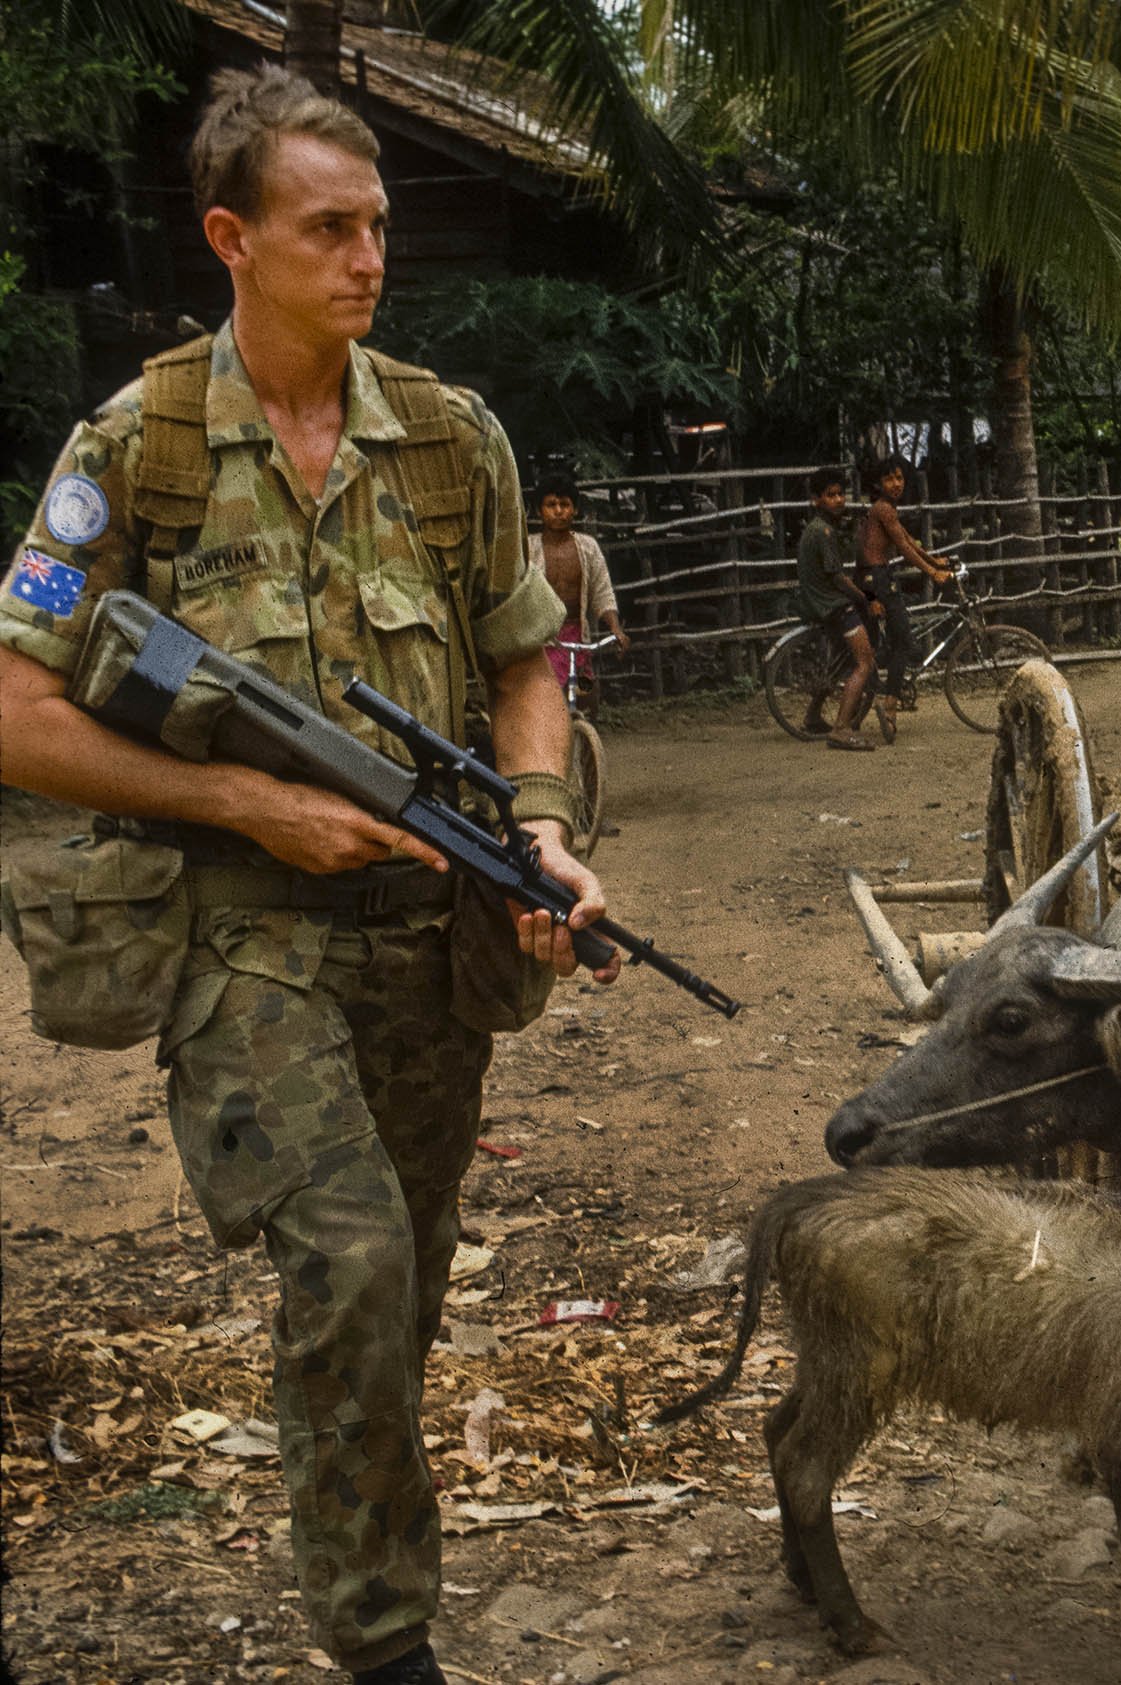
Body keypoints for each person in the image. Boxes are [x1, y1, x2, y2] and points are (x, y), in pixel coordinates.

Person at [0, 67, 618, 1685]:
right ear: (233, 236)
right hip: (242, 935)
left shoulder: (444, 439)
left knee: (397, 1287)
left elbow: (523, 665)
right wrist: (238, 802)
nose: (367, 259)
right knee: (345, 1259)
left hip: (430, 936)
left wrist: (540, 831)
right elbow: (15, 712)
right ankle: (383, 1642)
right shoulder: (134, 450)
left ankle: (357, 1537)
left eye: (379, 228)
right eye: (328, 229)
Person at [854, 453, 954, 741]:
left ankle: (875, 689)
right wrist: (931, 572)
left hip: (872, 577)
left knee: (894, 641)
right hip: (878, 579)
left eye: (899, 477)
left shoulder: (885, 511)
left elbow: (908, 540)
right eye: (889, 478)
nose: (896, 483)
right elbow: (904, 548)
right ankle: (889, 706)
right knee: (906, 644)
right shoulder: (883, 509)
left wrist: (935, 561)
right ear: (878, 483)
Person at [794, 465, 878, 750]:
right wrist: (865, 598)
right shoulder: (824, 533)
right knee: (864, 662)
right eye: (831, 495)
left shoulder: (815, 529)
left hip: (819, 603)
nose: (839, 500)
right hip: (834, 605)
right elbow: (838, 578)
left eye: (841, 494)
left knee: (839, 661)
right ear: (816, 499)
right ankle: (841, 729)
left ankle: (813, 716)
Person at [526, 474, 627, 712]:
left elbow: (602, 592)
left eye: (565, 505)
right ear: (540, 511)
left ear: (575, 510)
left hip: (577, 638)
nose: (558, 511)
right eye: (551, 505)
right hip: (541, 639)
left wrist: (616, 628)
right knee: (547, 704)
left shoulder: (587, 547)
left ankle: (585, 737)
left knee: (587, 695)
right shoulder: (528, 548)